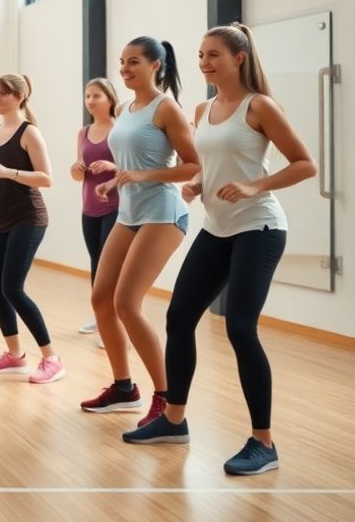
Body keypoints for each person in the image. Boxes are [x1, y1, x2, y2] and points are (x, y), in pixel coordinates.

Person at [123, 24, 314, 477]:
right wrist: (194, 184)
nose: (205, 63)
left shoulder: (259, 106)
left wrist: (254, 185)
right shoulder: (203, 108)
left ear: (239, 58)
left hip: (260, 226)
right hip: (217, 228)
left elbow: (305, 163)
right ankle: (173, 420)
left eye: (214, 55)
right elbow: (208, 164)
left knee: (241, 329)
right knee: (178, 317)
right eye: (201, 55)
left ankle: (263, 443)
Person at [79, 38, 198, 428]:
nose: (125, 69)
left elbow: (193, 165)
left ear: (156, 65)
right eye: (122, 62)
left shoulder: (167, 108)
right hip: (129, 211)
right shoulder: (126, 108)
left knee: (127, 303)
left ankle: (166, 397)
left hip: (163, 213)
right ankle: (124, 388)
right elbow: (130, 161)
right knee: (101, 299)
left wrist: (143, 175)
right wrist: (114, 180)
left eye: (134, 62)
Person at [0, 74, 64, 384]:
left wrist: (10, 172)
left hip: (29, 219)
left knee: (12, 288)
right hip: (1, 220)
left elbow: (46, 178)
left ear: (18, 97)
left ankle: (52, 359)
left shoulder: (29, 133)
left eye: (2, 94)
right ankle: (15, 356)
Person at [70, 78, 120, 340]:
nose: (90, 100)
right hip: (88, 207)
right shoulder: (83, 132)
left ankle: (112, 322)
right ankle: (101, 316)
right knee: (95, 262)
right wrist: (76, 169)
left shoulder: (119, 129)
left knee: (108, 264)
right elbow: (78, 175)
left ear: (110, 98)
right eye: (87, 96)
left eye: (96, 95)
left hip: (115, 206)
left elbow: (130, 170)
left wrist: (112, 168)